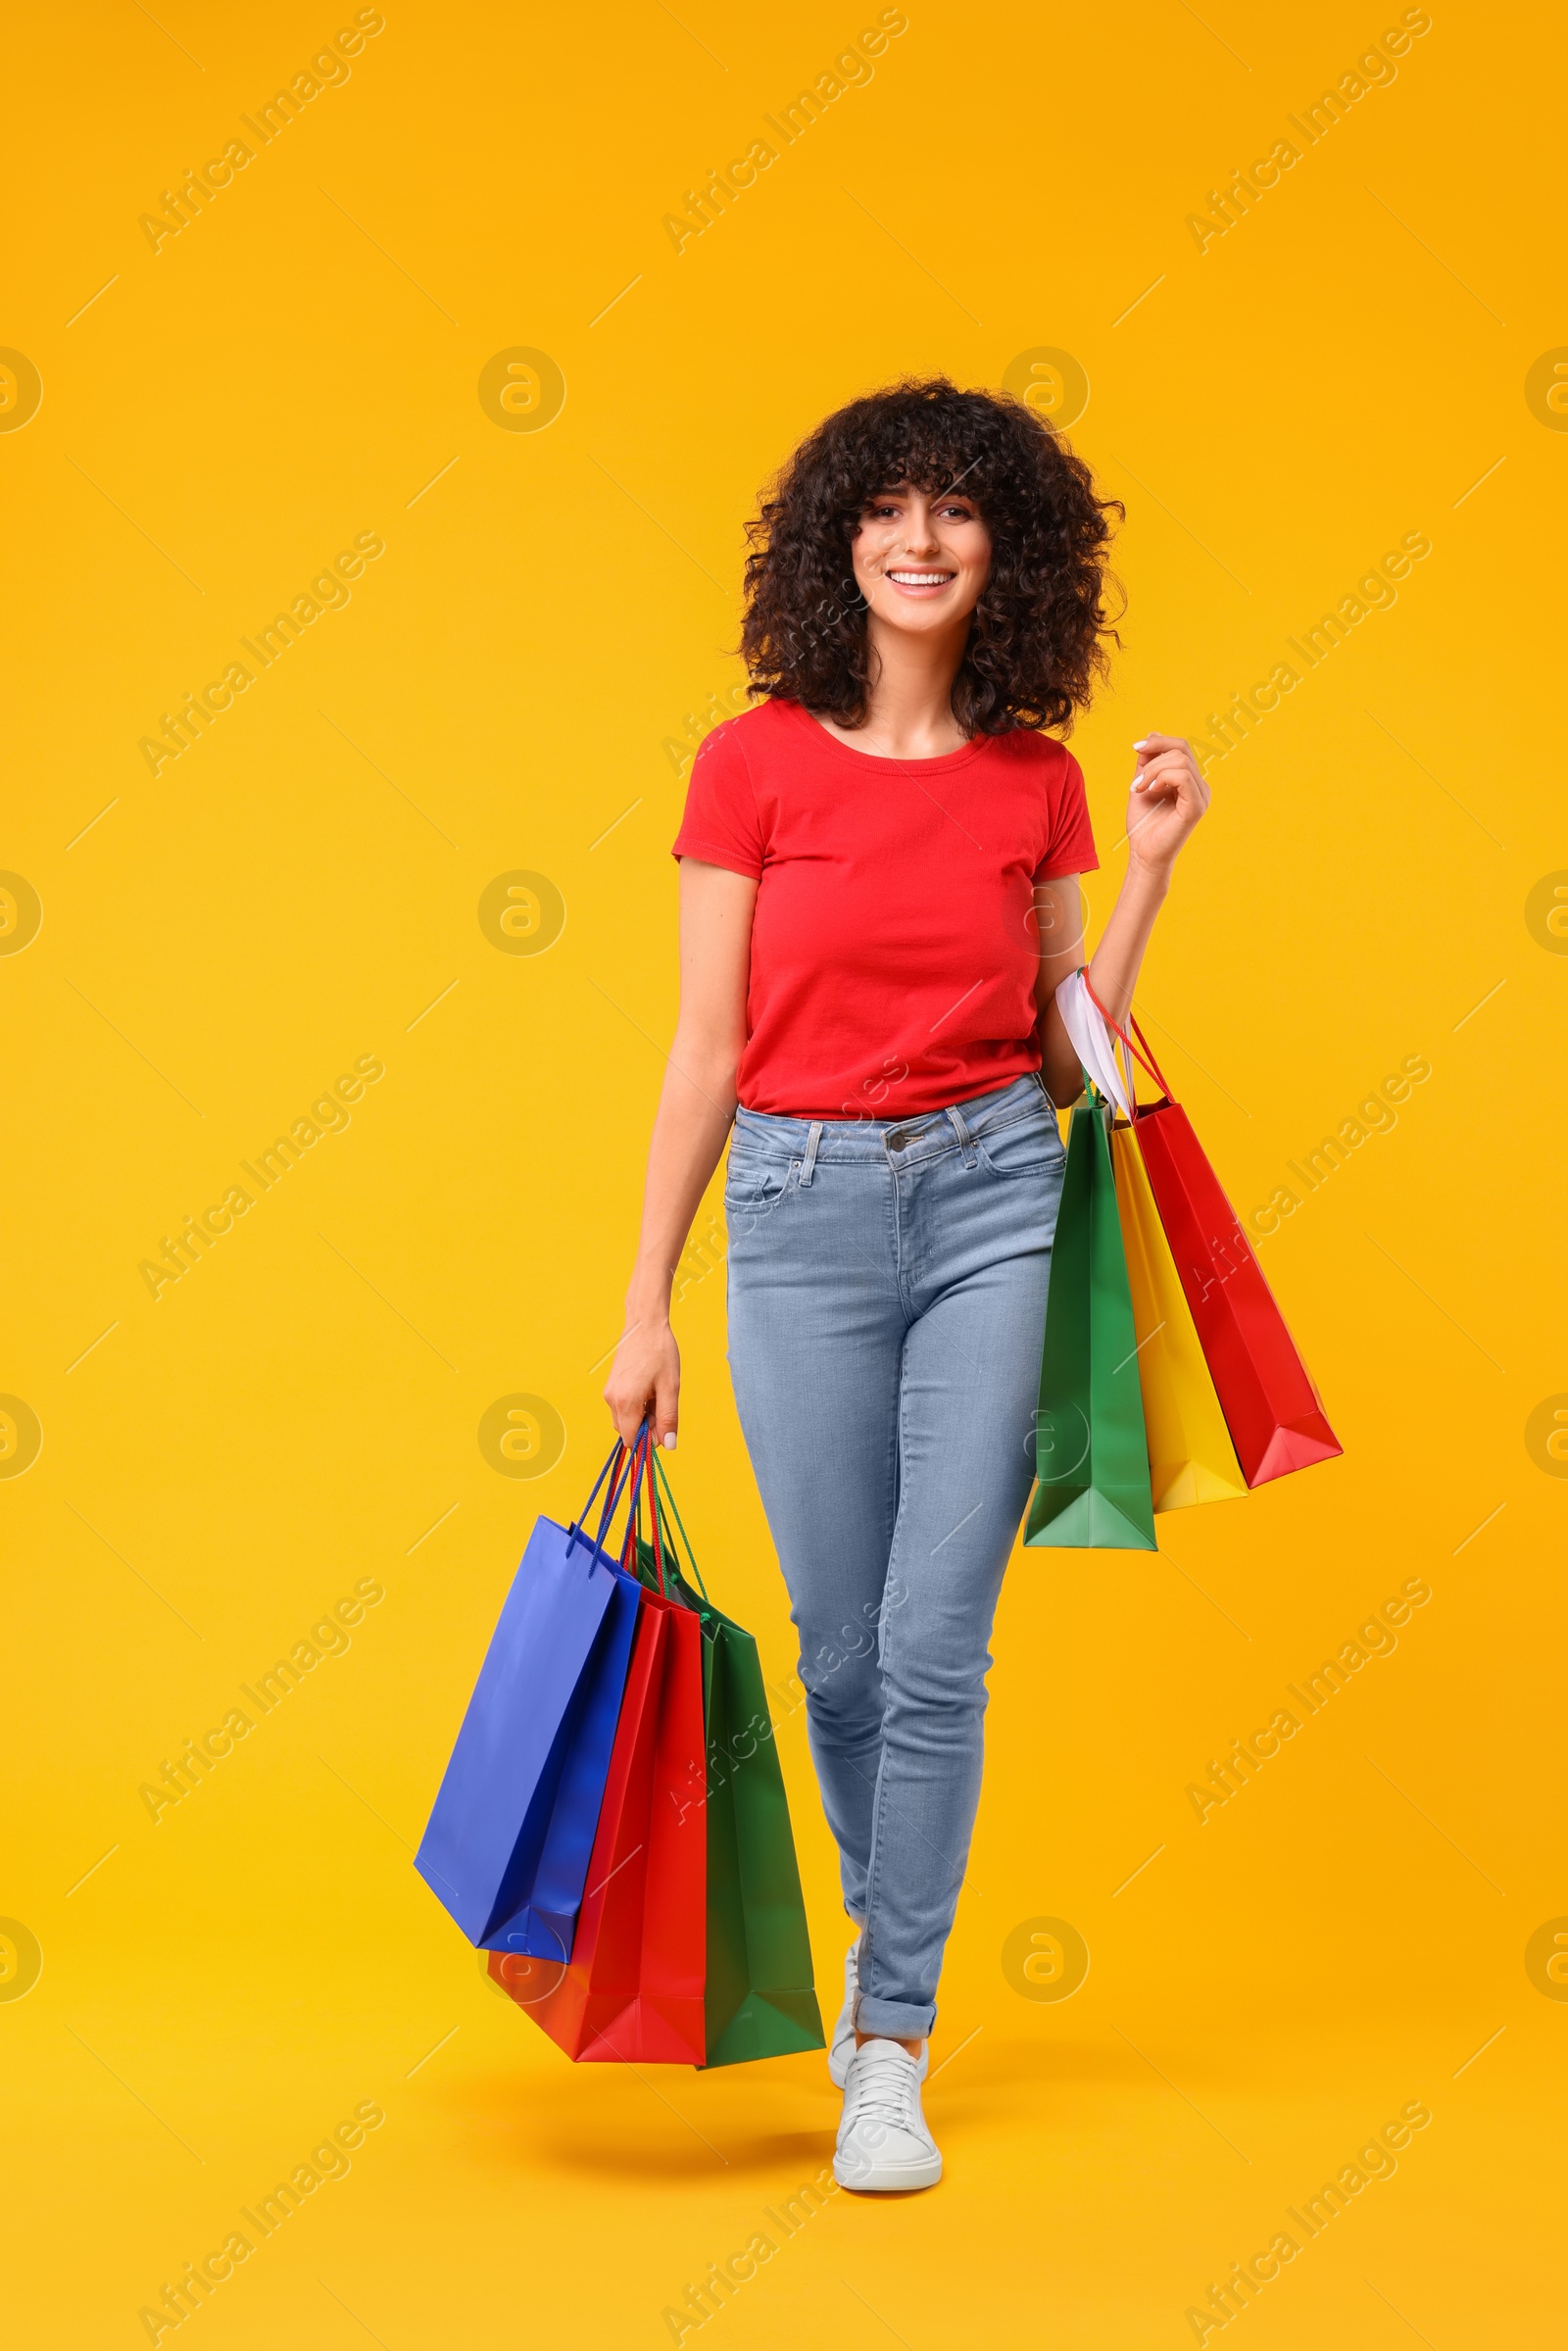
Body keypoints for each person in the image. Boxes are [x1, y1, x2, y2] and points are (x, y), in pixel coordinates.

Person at [605, 377, 1207, 2191]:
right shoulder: (753, 763)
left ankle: (890, 2038)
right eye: (891, 510)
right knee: (843, 1651)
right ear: (840, 542)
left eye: (960, 513)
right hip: (791, 1213)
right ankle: (893, 1969)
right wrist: (645, 1303)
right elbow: (706, 1047)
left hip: (991, 1201)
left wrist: (1153, 869)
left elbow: (1068, 1053)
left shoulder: (1032, 782)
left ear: (1004, 553)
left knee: (942, 1648)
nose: (924, 541)